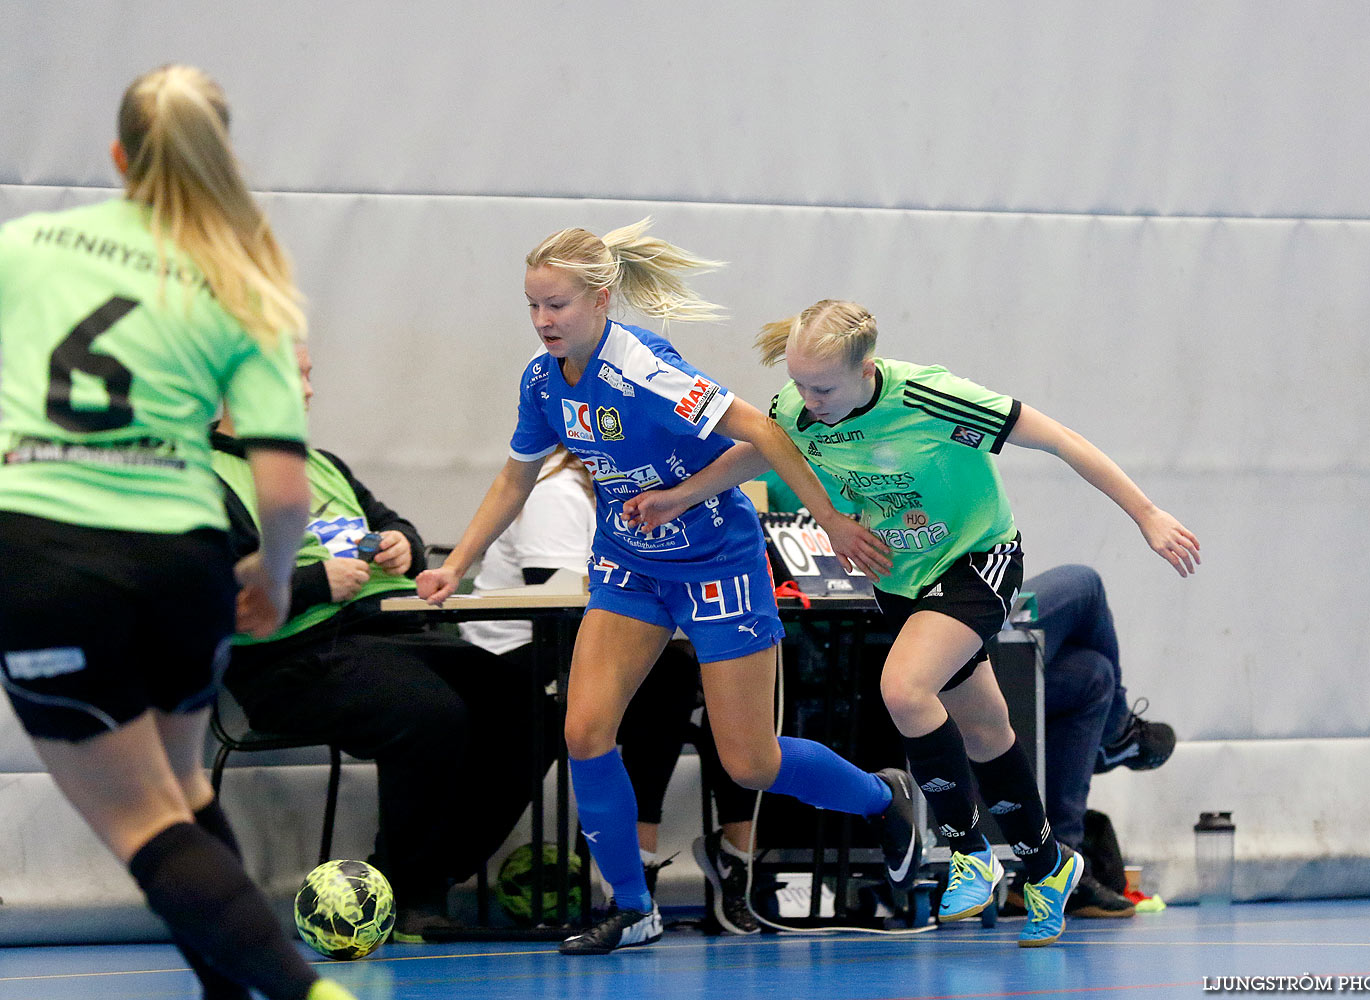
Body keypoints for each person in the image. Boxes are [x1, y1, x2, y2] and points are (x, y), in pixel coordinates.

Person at [625, 299, 1200, 946]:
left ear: (865, 368)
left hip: (977, 559)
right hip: (903, 582)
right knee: (986, 728)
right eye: (798, 383)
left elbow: (1061, 441)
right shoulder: (796, 406)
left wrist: (1147, 514)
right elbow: (763, 453)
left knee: (904, 689)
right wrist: (675, 498)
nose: (805, 400)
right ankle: (1049, 864)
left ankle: (967, 851)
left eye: (822, 387)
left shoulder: (934, 398)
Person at [416, 221, 912, 956]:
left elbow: (769, 434)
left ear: (600, 300)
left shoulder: (647, 369)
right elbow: (515, 475)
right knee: (585, 730)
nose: (543, 321)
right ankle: (634, 906)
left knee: (750, 760)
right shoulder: (540, 381)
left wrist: (831, 520)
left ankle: (885, 798)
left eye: (556, 306)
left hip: (716, 561)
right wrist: (460, 561)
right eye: (532, 307)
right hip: (631, 563)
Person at [0, 66, 355, 1000]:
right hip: (182, 560)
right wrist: (275, 580)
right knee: (185, 793)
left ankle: (303, 991)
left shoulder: (25, 246)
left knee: (142, 823)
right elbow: (283, 491)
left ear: (121, 158)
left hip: (45, 546)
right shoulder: (246, 282)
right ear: (221, 155)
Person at [211, 342, 541, 943]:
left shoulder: (323, 464)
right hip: (286, 658)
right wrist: (314, 582)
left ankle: (406, 874)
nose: (309, 392)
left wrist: (400, 544)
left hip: (385, 633)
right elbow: (209, 594)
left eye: (311, 377)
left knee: (524, 703)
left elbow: (397, 525)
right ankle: (416, 898)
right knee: (426, 713)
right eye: (295, 379)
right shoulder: (204, 474)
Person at [460, 446, 762, 934]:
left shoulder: (643, 497)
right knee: (665, 682)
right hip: (515, 649)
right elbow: (557, 595)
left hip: (579, 639)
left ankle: (735, 858)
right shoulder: (557, 491)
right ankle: (633, 875)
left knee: (730, 685)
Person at [1021, 563, 1177, 918]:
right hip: (949, 631)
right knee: (1086, 584)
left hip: (963, 624)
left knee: (1094, 676)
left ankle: (1056, 865)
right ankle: (1117, 730)